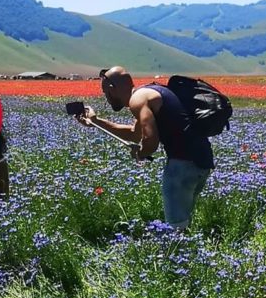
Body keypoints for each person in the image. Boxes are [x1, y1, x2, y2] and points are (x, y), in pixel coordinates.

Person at [77, 66, 214, 230]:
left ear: (112, 89)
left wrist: (140, 152)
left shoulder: (138, 100)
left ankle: (177, 252)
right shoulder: (148, 92)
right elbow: (134, 134)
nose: (106, 97)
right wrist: (96, 121)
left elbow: (150, 140)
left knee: (176, 229)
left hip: (182, 165)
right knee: (183, 221)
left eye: (105, 92)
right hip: (201, 161)